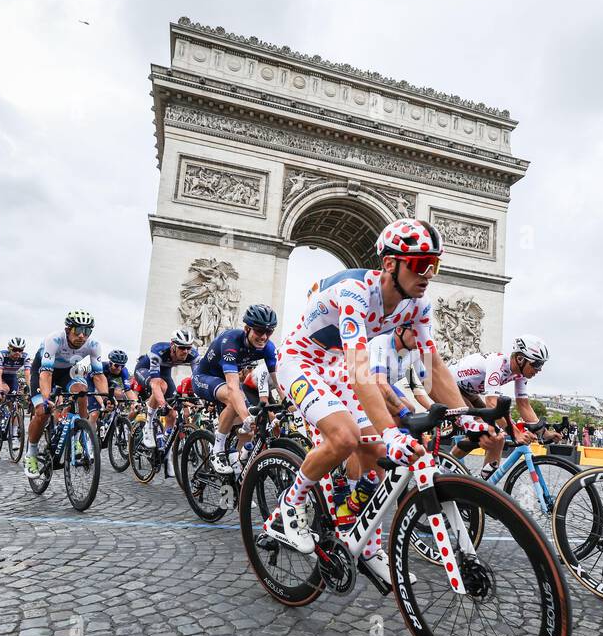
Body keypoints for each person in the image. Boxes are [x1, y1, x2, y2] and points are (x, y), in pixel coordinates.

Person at [264, 218, 483, 556]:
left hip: (337, 364)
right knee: (345, 436)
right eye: (422, 265)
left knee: (380, 452)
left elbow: (433, 365)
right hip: (301, 360)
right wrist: (391, 431)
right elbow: (361, 369)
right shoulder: (355, 293)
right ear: (390, 264)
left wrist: (468, 417)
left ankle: (365, 542)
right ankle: (289, 506)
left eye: (435, 265)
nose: (428, 275)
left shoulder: (418, 305)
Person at [190, 307, 279, 474]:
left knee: (248, 431)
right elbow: (232, 386)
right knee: (235, 399)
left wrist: (288, 402)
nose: (264, 337)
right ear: (247, 329)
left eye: (269, 331)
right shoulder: (230, 340)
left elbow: (277, 381)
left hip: (226, 381)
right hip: (205, 377)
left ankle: (237, 472)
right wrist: (246, 417)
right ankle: (217, 450)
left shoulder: (267, 347)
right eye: (259, 331)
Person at [448, 335, 549, 478]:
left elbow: (523, 405)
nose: (539, 370)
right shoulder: (498, 363)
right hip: (450, 387)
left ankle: (484, 485)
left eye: (542, 364)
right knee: (483, 431)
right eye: (537, 364)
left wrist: (543, 432)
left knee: (496, 436)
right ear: (520, 359)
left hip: (469, 392)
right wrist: (515, 432)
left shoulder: (520, 374)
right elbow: (492, 404)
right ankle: (444, 468)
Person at [24, 310, 106, 478]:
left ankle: (81, 437)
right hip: (43, 371)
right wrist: (47, 400)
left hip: (67, 372)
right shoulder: (54, 339)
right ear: (68, 330)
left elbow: (98, 376)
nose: (83, 336)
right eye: (78, 330)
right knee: (42, 412)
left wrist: (105, 399)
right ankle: (31, 454)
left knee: (82, 392)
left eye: (87, 331)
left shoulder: (94, 345)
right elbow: (46, 374)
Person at [137, 328, 196, 448]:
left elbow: (197, 378)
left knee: (173, 414)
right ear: (173, 346)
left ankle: (164, 443)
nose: (185, 351)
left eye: (188, 348)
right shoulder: (158, 350)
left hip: (165, 373)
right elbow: (155, 382)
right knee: (161, 385)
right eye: (181, 347)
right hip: (145, 369)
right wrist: (163, 404)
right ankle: (148, 424)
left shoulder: (193, 355)